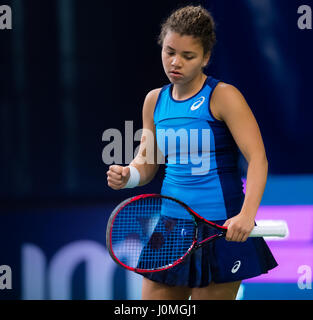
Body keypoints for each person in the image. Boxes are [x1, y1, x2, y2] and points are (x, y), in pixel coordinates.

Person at [107, 5, 277, 300]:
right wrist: (128, 175)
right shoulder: (154, 101)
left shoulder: (224, 96)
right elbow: (147, 164)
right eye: (170, 51)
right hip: (170, 228)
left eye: (188, 56)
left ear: (206, 58)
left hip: (220, 227)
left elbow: (258, 158)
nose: (176, 62)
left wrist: (246, 216)